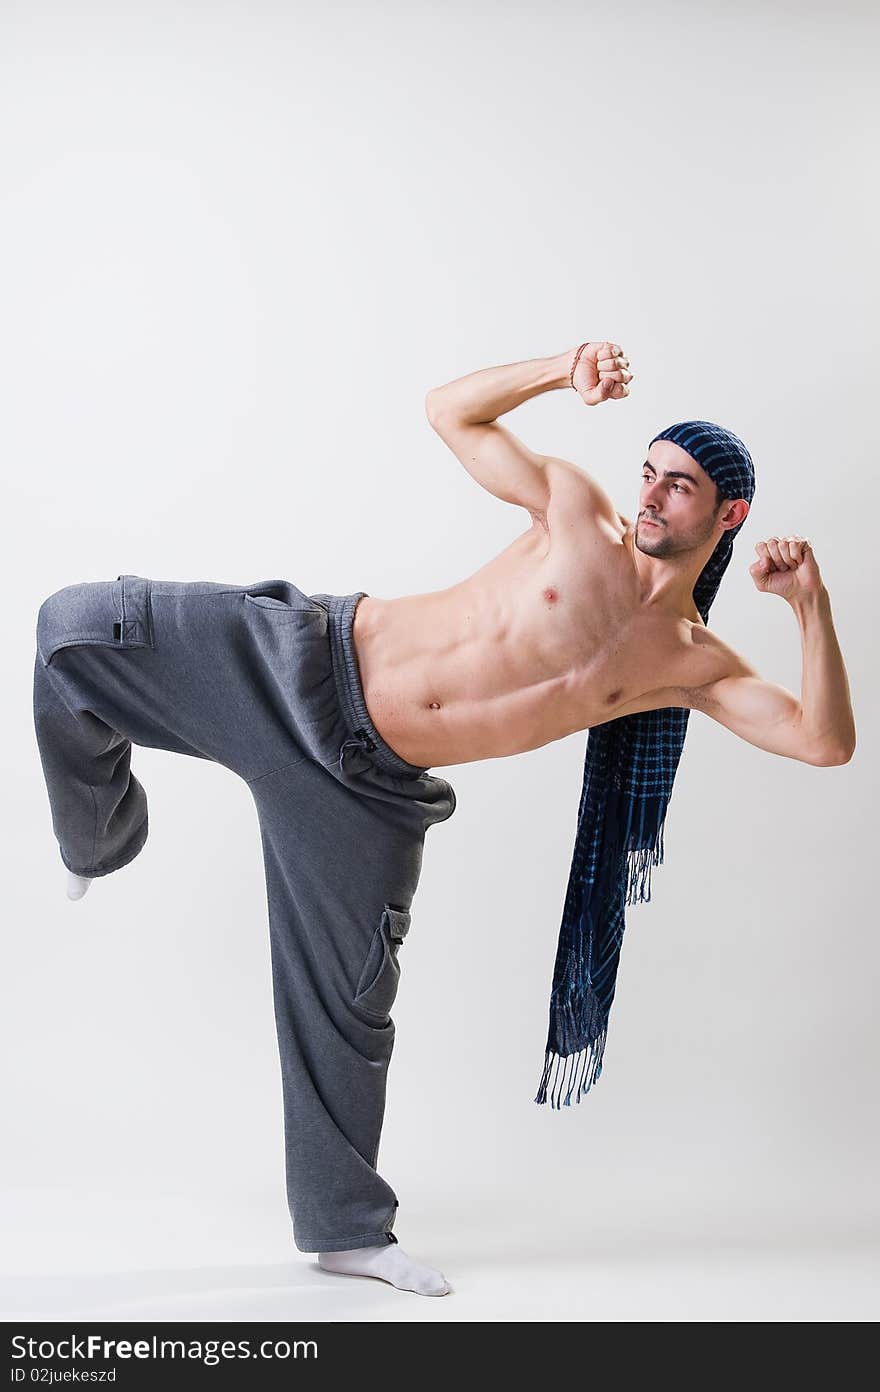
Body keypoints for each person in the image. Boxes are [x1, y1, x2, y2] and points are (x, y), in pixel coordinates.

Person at [32, 341, 856, 1297]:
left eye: (679, 487)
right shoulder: (577, 515)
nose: (651, 495)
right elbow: (448, 410)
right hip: (301, 667)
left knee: (350, 1006)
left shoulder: (690, 663)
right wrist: (562, 371)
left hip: (372, 792)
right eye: (650, 473)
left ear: (730, 514)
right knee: (74, 630)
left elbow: (820, 742)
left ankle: (346, 1230)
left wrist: (811, 607)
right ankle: (95, 836)